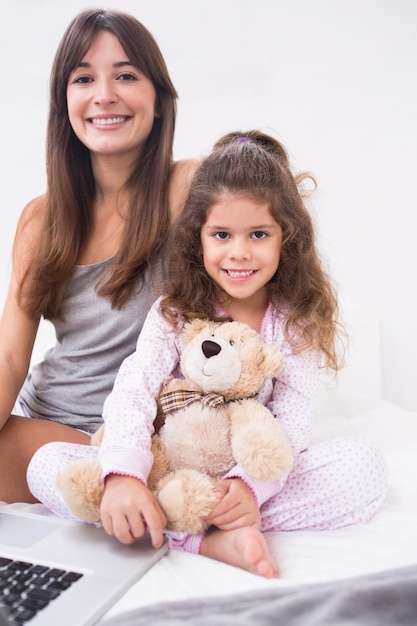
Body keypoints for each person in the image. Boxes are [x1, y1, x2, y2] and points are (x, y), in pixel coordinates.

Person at [27, 130, 388, 578]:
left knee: (364, 468)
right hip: (167, 469)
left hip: (239, 477)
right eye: (221, 234)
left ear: (285, 238)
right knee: (46, 466)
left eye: (258, 234)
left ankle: (202, 522)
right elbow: (134, 389)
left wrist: (250, 487)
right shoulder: (175, 311)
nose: (239, 252)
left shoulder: (296, 322)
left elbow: (292, 419)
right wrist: (123, 476)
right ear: (198, 238)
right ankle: (203, 537)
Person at [0, 8, 198, 503]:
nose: (104, 94)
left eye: (126, 75)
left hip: (131, 438)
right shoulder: (40, 219)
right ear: (64, 101)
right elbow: (8, 356)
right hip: (42, 420)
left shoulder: (191, 188)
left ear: (158, 98)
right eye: (83, 78)